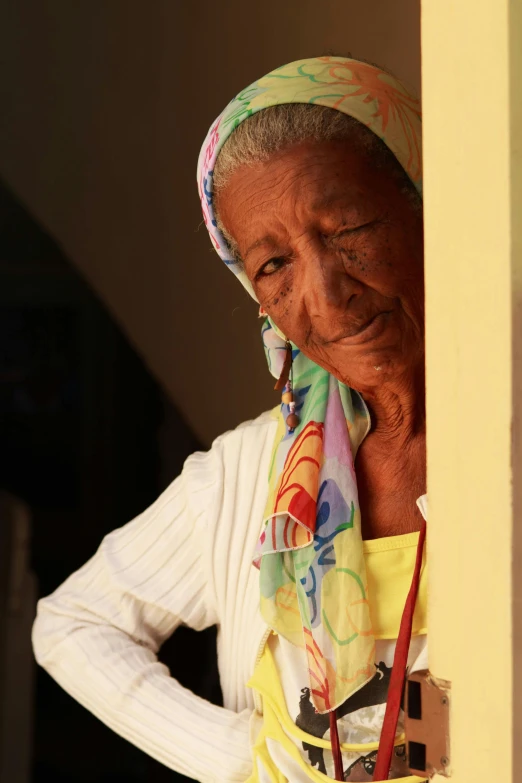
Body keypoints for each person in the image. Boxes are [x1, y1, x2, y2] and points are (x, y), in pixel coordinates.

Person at [32, 56, 428, 783]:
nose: (327, 293)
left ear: (425, 207)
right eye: (273, 264)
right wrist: (241, 759)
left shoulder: (504, 445)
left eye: (350, 227)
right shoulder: (251, 471)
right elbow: (74, 622)